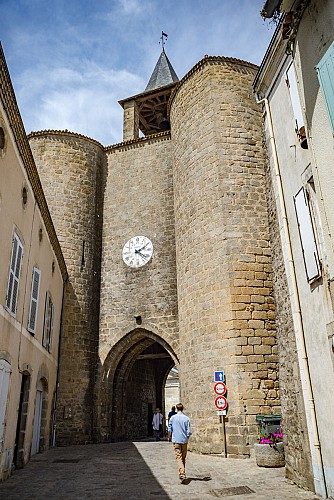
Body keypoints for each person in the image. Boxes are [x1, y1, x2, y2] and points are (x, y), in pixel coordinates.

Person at [168, 403, 191, 484]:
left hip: (176, 440)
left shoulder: (172, 418)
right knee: (183, 457)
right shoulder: (186, 418)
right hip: (184, 440)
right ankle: (182, 473)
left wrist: (169, 437)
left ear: (176, 409)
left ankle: (182, 474)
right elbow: (188, 432)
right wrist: (186, 439)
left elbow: (169, 429)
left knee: (179, 457)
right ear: (183, 409)